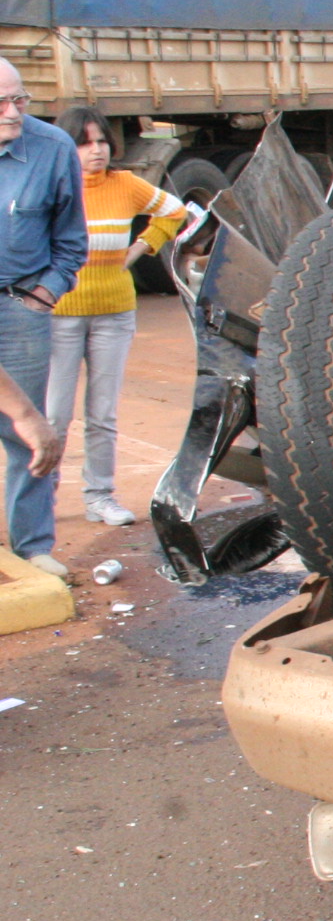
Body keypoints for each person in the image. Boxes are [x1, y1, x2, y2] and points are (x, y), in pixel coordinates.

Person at [48, 106, 187, 527]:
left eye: (102, 141)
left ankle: (100, 496)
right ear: (65, 148)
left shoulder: (126, 185)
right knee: (54, 415)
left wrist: (139, 250)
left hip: (114, 313)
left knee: (102, 413)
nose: (96, 151)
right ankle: (41, 500)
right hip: (59, 314)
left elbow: (176, 211)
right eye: (84, 142)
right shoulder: (52, 188)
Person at [0, 58, 88, 579]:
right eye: (0, 105)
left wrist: (45, 292)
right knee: (27, 419)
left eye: (20, 100)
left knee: (25, 431)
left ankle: (32, 547)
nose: (13, 113)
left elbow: (71, 239)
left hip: (19, 309)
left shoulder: (52, 149)